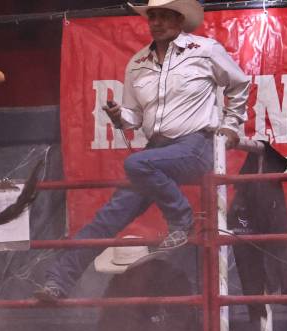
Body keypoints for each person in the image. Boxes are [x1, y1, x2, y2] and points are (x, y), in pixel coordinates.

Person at [37, 0, 250, 300]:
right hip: (159, 151)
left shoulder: (205, 50)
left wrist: (231, 124)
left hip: (197, 144)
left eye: (164, 16)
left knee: (138, 165)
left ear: (179, 19)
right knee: (107, 219)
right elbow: (134, 117)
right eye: (153, 16)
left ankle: (181, 219)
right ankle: (57, 282)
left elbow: (239, 84)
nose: (157, 22)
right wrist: (118, 115)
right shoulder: (137, 63)